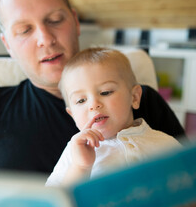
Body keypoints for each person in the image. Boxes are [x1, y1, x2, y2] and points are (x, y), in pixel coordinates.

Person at [0, 0, 185, 174]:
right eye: (25, 30)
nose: (45, 39)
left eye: (55, 20)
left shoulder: (144, 101)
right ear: (8, 44)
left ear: (75, 22)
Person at [46, 48, 181, 186]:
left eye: (105, 92)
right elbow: (55, 200)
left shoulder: (165, 144)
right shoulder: (74, 152)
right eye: (81, 101)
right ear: (73, 116)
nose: (93, 105)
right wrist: (81, 167)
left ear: (134, 97)